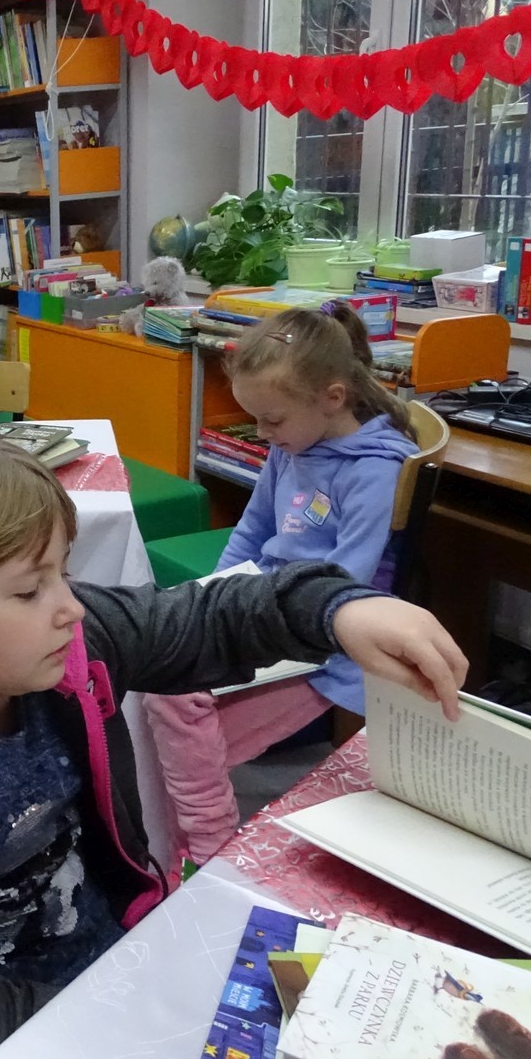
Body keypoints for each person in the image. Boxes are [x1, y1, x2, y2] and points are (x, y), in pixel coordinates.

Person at [0, 432, 464, 1059]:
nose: (70, 607)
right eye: (29, 590)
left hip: (112, 973)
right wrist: (103, 1019)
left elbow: (204, 617)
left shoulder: (67, 648)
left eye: (63, 573)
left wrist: (338, 611)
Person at [142, 302, 420, 862]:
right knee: (152, 663)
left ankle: (207, 846)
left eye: (271, 419)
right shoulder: (292, 443)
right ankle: (174, 841)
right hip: (267, 601)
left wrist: (247, 620)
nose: (262, 433)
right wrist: (207, 602)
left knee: (173, 709)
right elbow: (252, 531)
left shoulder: (373, 470)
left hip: (327, 637)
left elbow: (345, 583)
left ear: (332, 398)